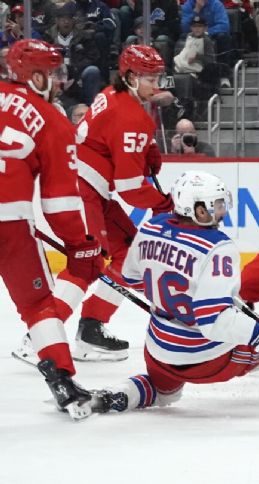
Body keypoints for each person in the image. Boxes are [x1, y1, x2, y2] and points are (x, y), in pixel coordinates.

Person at [87, 171, 259, 415]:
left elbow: (132, 278)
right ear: (198, 209)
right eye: (217, 205)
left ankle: (117, 394)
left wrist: (169, 303)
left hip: (159, 352)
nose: (223, 211)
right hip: (208, 360)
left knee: (164, 391)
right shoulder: (217, 246)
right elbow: (214, 321)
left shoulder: (149, 228)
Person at [52, 45, 175, 362]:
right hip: (83, 188)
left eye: (158, 76)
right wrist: (163, 203)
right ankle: (40, 337)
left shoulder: (114, 94)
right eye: (151, 77)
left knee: (131, 254)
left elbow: (110, 138)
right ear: (132, 77)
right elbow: (131, 188)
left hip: (89, 186)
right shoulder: (131, 115)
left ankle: (92, 328)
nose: (156, 84)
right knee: (87, 262)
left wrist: (146, 146)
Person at [1, 39, 104, 419]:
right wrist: (80, 244)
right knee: (38, 305)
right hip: (9, 227)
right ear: (35, 74)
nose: (59, 81)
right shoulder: (52, 119)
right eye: (54, 72)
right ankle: (61, 379)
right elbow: (59, 203)